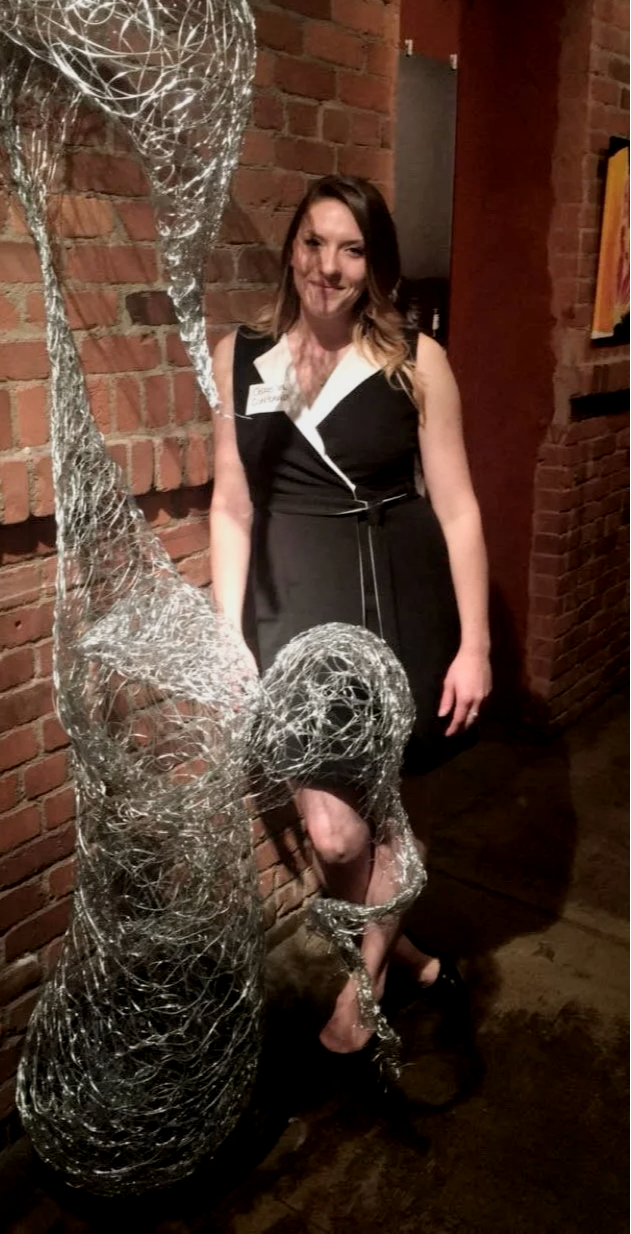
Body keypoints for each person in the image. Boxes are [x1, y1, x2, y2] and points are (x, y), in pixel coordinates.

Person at [210, 174, 491, 1054]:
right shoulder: (240, 354)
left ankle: (365, 982)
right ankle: (405, 956)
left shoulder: (416, 360)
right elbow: (231, 507)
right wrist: (229, 638)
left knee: (381, 807)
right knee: (333, 830)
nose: (326, 267)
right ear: (290, 247)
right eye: (312, 242)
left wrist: (475, 643)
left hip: (392, 600)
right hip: (290, 609)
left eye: (351, 248)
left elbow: (458, 509)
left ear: (375, 266)